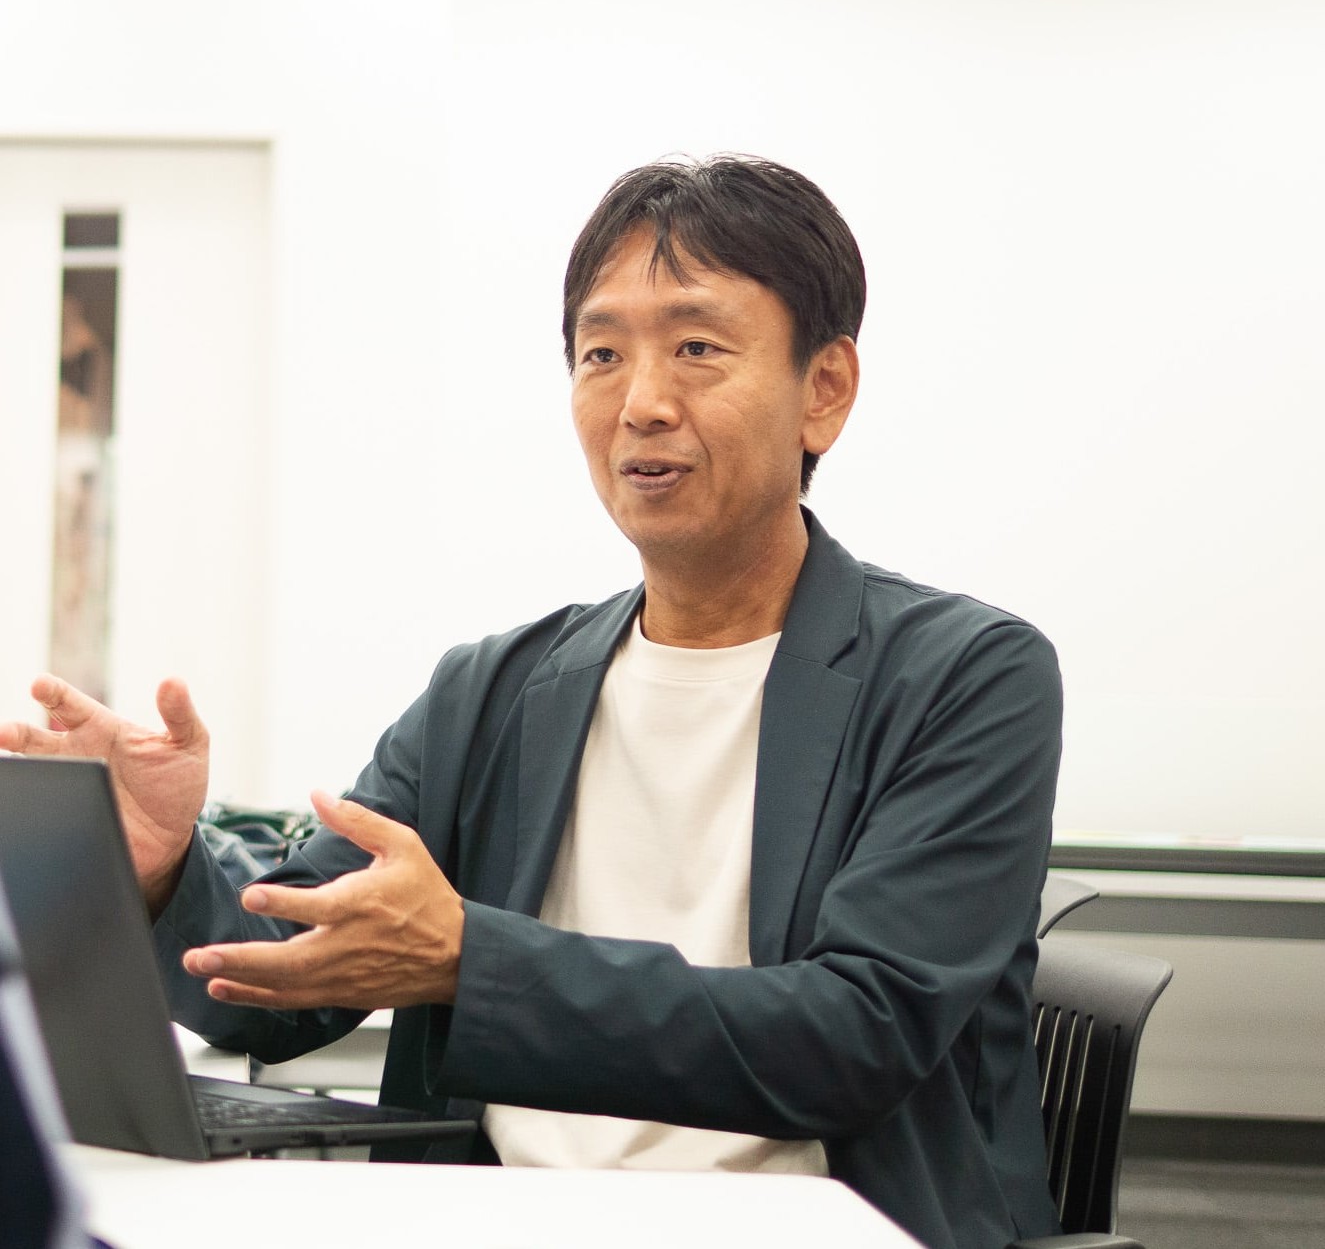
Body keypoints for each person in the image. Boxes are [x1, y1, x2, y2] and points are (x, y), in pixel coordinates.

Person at [0, 155, 1062, 1249]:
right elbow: (288, 975)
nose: (641, 403)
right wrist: (162, 868)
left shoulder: (964, 676)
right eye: (601, 354)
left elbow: (857, 1035)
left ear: (823, 389)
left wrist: (471, 959)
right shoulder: (492, 690)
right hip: (503, 1216)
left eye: (696, 348)